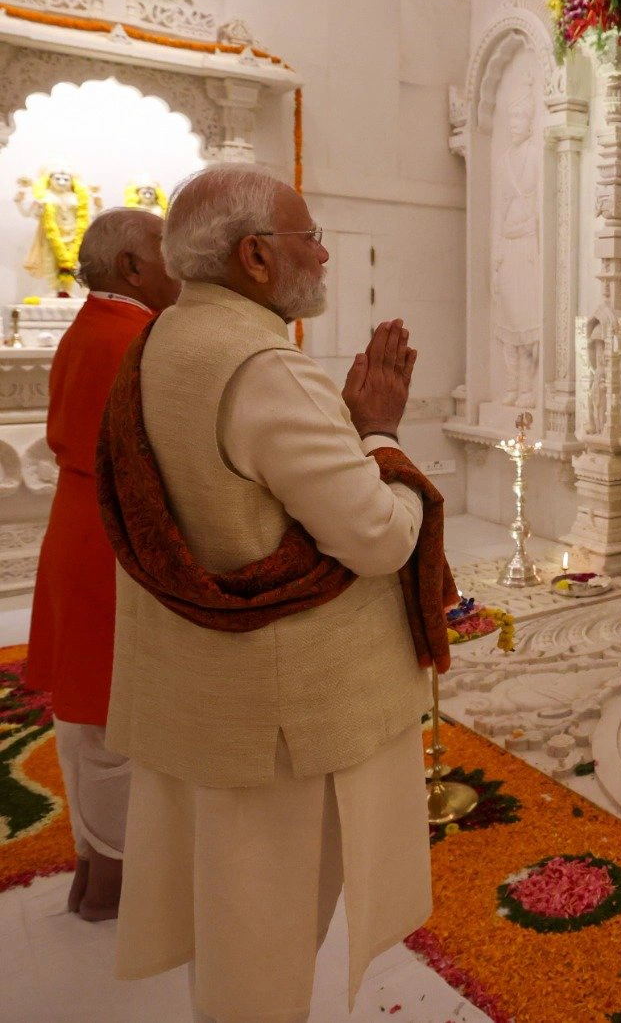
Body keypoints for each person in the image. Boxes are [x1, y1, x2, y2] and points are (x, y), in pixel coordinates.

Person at [97, 163, 454, 1022]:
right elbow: (376, 536)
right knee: (265, 942)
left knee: (226, 926)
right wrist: (380, 435)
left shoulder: (159, 342)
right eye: (310, 239)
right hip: (280, 722)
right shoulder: (264, 368)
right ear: (257, 257)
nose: (325, 257)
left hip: (200, 700)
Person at [24, 208, 179, 921]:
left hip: (79, 530)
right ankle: (113, 873)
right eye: (163, 249)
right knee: (115, 717)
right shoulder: (138, 339)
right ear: (129, 269)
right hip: (113, 538)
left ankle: (94, 860)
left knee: (85, 715)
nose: (177, 260)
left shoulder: (94, 323)